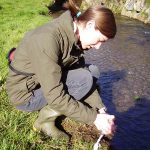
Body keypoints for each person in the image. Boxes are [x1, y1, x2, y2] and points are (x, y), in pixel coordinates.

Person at [6, 1, 117, 139]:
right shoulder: (48, 39)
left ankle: (81, 106)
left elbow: (80, 68)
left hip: (41, 82)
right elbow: (55, 95)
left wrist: (101, 109)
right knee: (85, 78)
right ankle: (43, 121)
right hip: (25, 95)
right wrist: (94, 118)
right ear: (89, 25)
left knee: (92, 71)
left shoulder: (73, 35)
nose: (98, 47)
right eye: (100, 40)